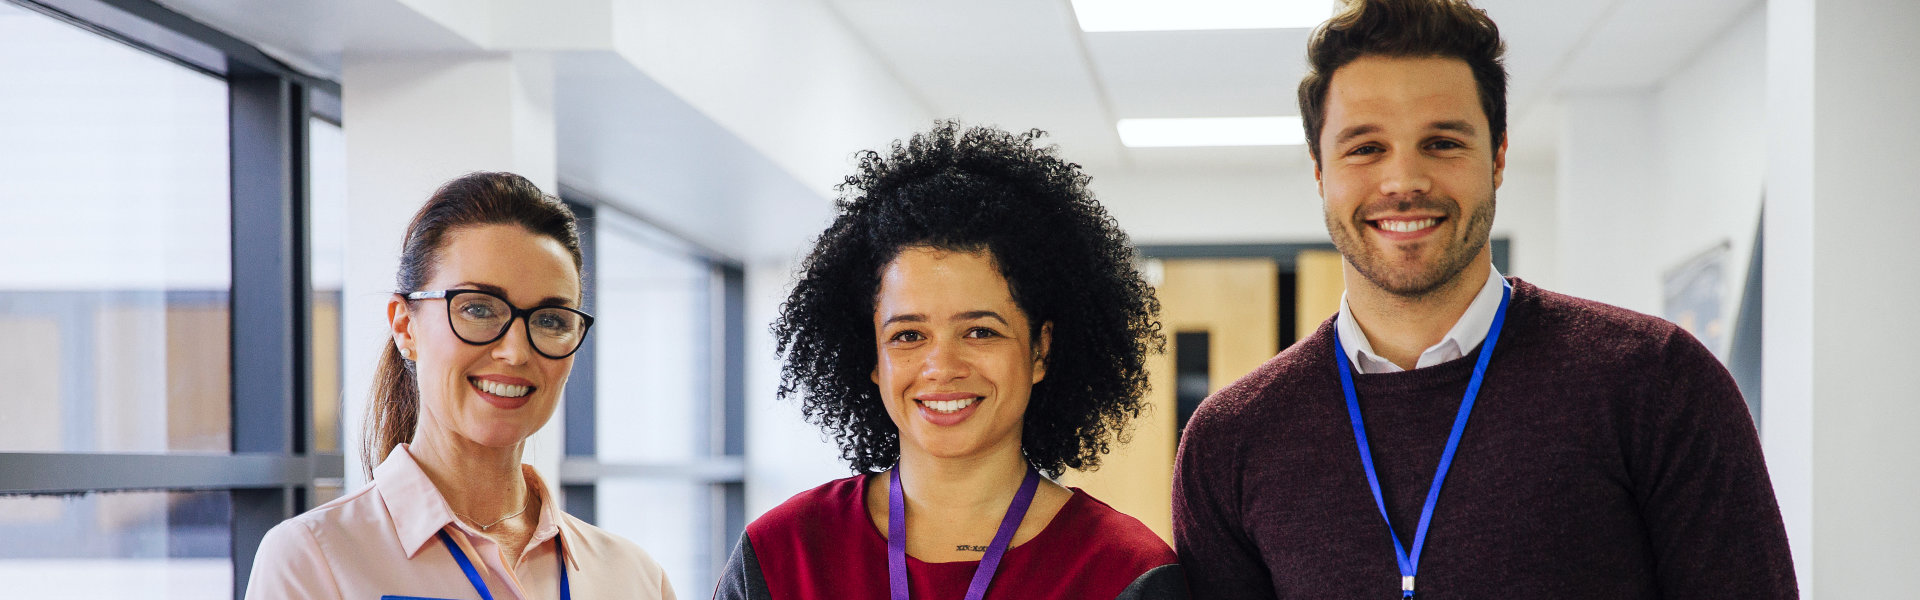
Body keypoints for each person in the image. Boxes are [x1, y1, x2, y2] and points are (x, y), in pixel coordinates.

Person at [1171, 0, 1797, 598]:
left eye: (1442, 143)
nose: (1404, 181)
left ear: (1497, 157)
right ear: (1319, 172)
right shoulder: (1232, 441)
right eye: (1365, 148)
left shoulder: (1656, 383)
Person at [716, 123, 1184, 600]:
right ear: (872, 356)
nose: (942, 366)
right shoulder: (780, 555)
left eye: (981, 332)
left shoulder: (1124, 572)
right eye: (908, 335)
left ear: (1040, 350)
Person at [245, 172, 676, 599]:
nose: (516, 351)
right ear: (404, 326)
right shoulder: (314, 559)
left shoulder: (634, 578)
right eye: (478, 309)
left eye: (550, 320)